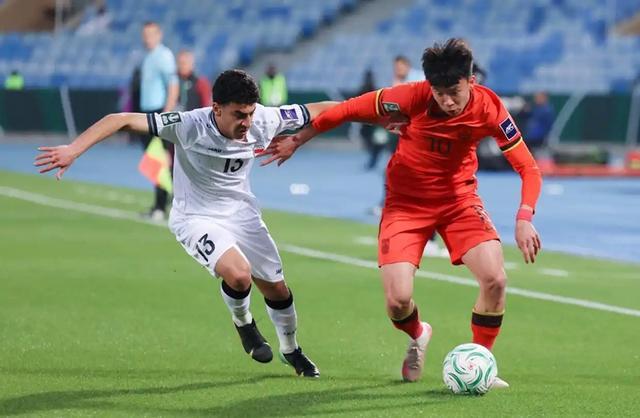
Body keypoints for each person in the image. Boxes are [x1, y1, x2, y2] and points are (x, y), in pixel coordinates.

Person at [262, 39, 542, 387]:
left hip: (459, 202)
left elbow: (528, 168)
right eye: (439, 93)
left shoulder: (490, 108)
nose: (447, 101)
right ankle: (419, 333)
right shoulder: (410, 97)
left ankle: (479, 362)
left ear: (471, 81)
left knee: (495, 279)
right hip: (405, 205)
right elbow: (346, 109)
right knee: (397, 302)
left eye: (454, 92)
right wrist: (299, 139)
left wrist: (524, 217)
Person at [34, 69, 332, 377]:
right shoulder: (189, 125)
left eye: (250, 113)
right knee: (239, 274)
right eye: (239, 115)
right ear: (217, 109)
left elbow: (328, 109)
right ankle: (244, 324)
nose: (247, 122)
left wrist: (308, 135)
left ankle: (290, 349)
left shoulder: (265, 119)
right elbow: (119, 119)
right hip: (196, 217)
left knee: (277, 289)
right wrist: (73, 150)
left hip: (242, 213)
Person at [139, 21, 179, 221]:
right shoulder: (149, 57)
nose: (147, 38)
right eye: (145, 35)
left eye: (151, 34)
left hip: (158, 114)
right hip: (148, 113)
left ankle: (168, 205)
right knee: (155, 161)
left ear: (159, 34)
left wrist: (165, 115)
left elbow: (173, 85)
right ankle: (160, 204)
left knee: (164, 161)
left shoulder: (164, 56)